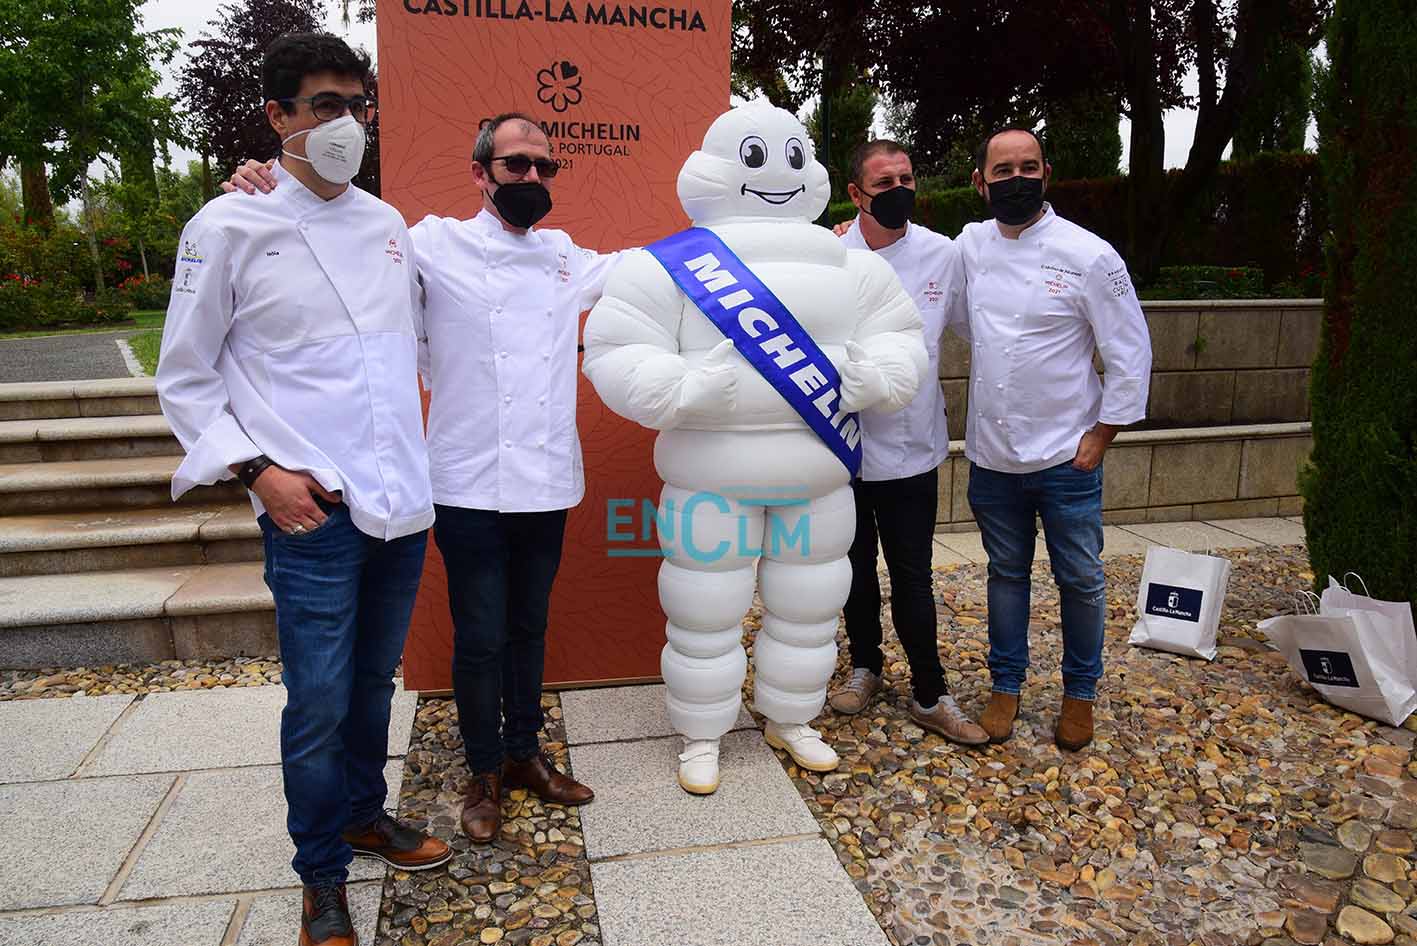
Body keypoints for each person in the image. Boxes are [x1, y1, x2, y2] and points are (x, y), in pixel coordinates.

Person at [226, 113, 611, 844]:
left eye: (544, 166)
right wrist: (268, 189)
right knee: (481, 635)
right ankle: (484, 771)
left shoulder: (564, 255)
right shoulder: (431, 241)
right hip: (465, 479)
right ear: (480, 173)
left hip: (546, 477)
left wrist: (753, 234)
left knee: (529, 625)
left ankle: (525, 752)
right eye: (516, 165)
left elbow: (647, 269)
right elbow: (336, 237)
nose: (531, 177)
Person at [160, 32, 451, 946]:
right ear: (278, 116)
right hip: (310, 509)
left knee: (371, 685)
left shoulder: (387, 224)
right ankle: (320, 874)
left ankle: (363, 816)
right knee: (319, 699)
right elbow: (185, 376)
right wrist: (259, 473)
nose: (346, 123)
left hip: (397, 503)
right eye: (324, 105)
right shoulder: (226, 225)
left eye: (357, 105)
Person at [582, 102, 928, 795]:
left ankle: (791, 718)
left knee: (809, 609)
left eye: (792, 157)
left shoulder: (852, 267)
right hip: (710, 478)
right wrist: (681, 387)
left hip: (817, 480)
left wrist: (882, 377)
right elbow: (616, 350)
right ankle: (701, 732)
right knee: (703, 612)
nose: (776, 173)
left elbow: (900, 337)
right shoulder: (665, 266)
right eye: (755, 158)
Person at [960, 127, 1152, 751]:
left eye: (1028, 167)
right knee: (1005, 576)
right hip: (993, 459)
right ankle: (1005, 688)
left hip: (1067, 457)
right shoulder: (970, 246)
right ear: (980, 182)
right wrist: (847, 237)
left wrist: (1102, 434)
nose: (1016, 179)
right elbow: (909, 263)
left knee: (1081, 580)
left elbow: (1130, 352)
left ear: (1046, 173)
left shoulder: (1089, 254)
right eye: (1002, 170)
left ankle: (1080, 695)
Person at [827, 140, 988, 746]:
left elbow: (976, 329)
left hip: (912, 446)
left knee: (913, 574)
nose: (899, 191)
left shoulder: (942, 255)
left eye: (906, 179)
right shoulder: (828, 255)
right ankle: (865, 666)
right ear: (855, 195)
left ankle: (929, 691)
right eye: (884, 183)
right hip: (842, 445)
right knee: (854, 569)